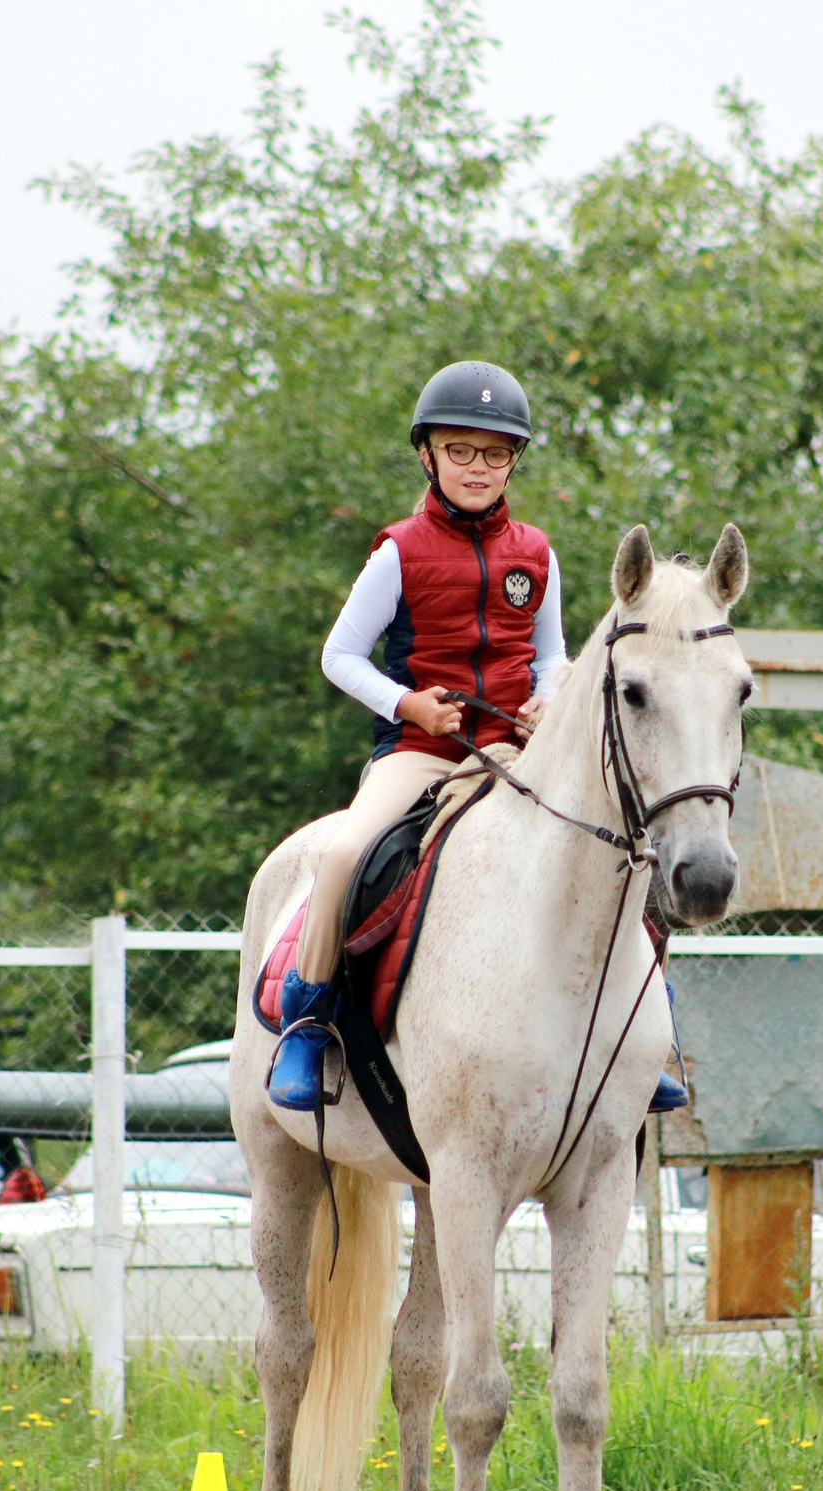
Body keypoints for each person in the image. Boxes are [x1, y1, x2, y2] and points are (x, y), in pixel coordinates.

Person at [269, 359, 690, 1115]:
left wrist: (545, 702)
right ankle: (307, 1017)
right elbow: (340, 656)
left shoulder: (536, 552)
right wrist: (410, 706)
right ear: (428, 455)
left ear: (513, 462)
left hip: (519, 755)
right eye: (460, 450)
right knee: (340, 854)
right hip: (423, 755)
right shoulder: (398, 551)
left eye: (495, 453)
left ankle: (644, 1032)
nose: (477, 466)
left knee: (625, 851)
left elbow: (553, 656)